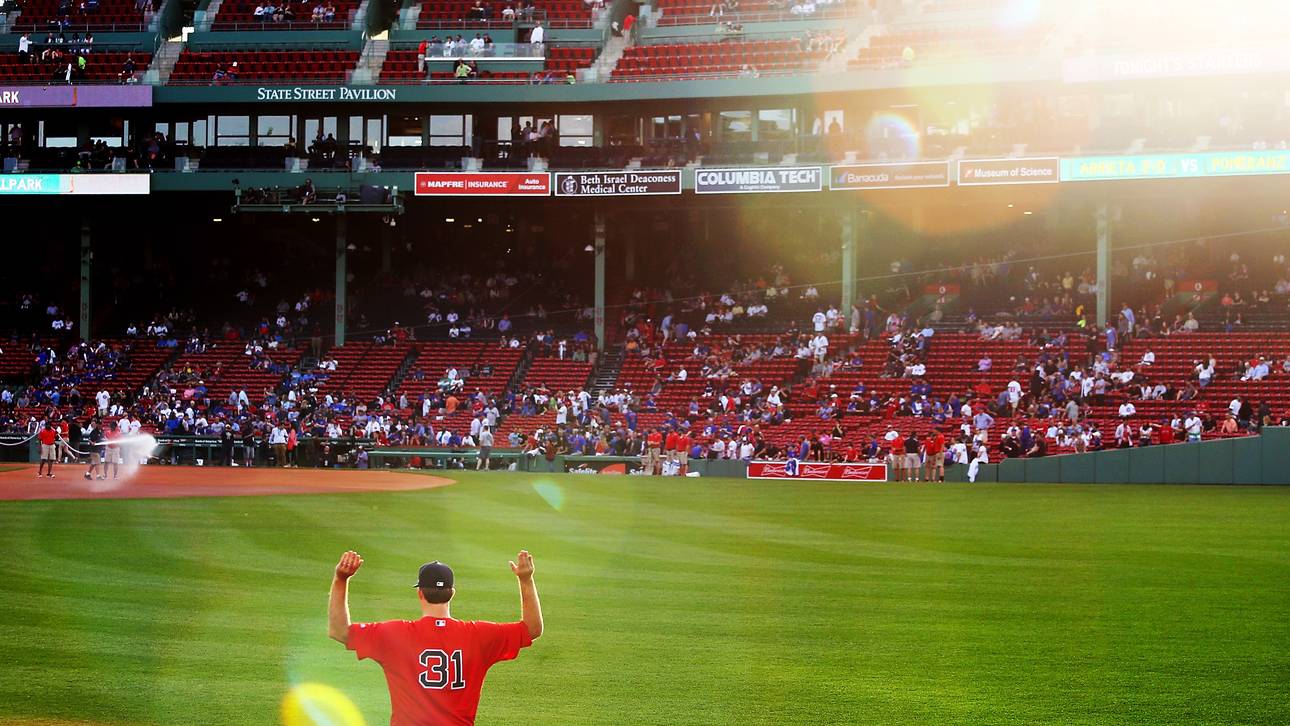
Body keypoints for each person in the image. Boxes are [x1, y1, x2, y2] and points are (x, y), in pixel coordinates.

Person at [329, 550, 542, 725]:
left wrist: (341, 579)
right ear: (452, 593)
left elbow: (339, 631)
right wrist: (526, 579)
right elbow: (532, 628)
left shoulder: (394, 634)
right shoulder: (479, 635)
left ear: (420, 592)